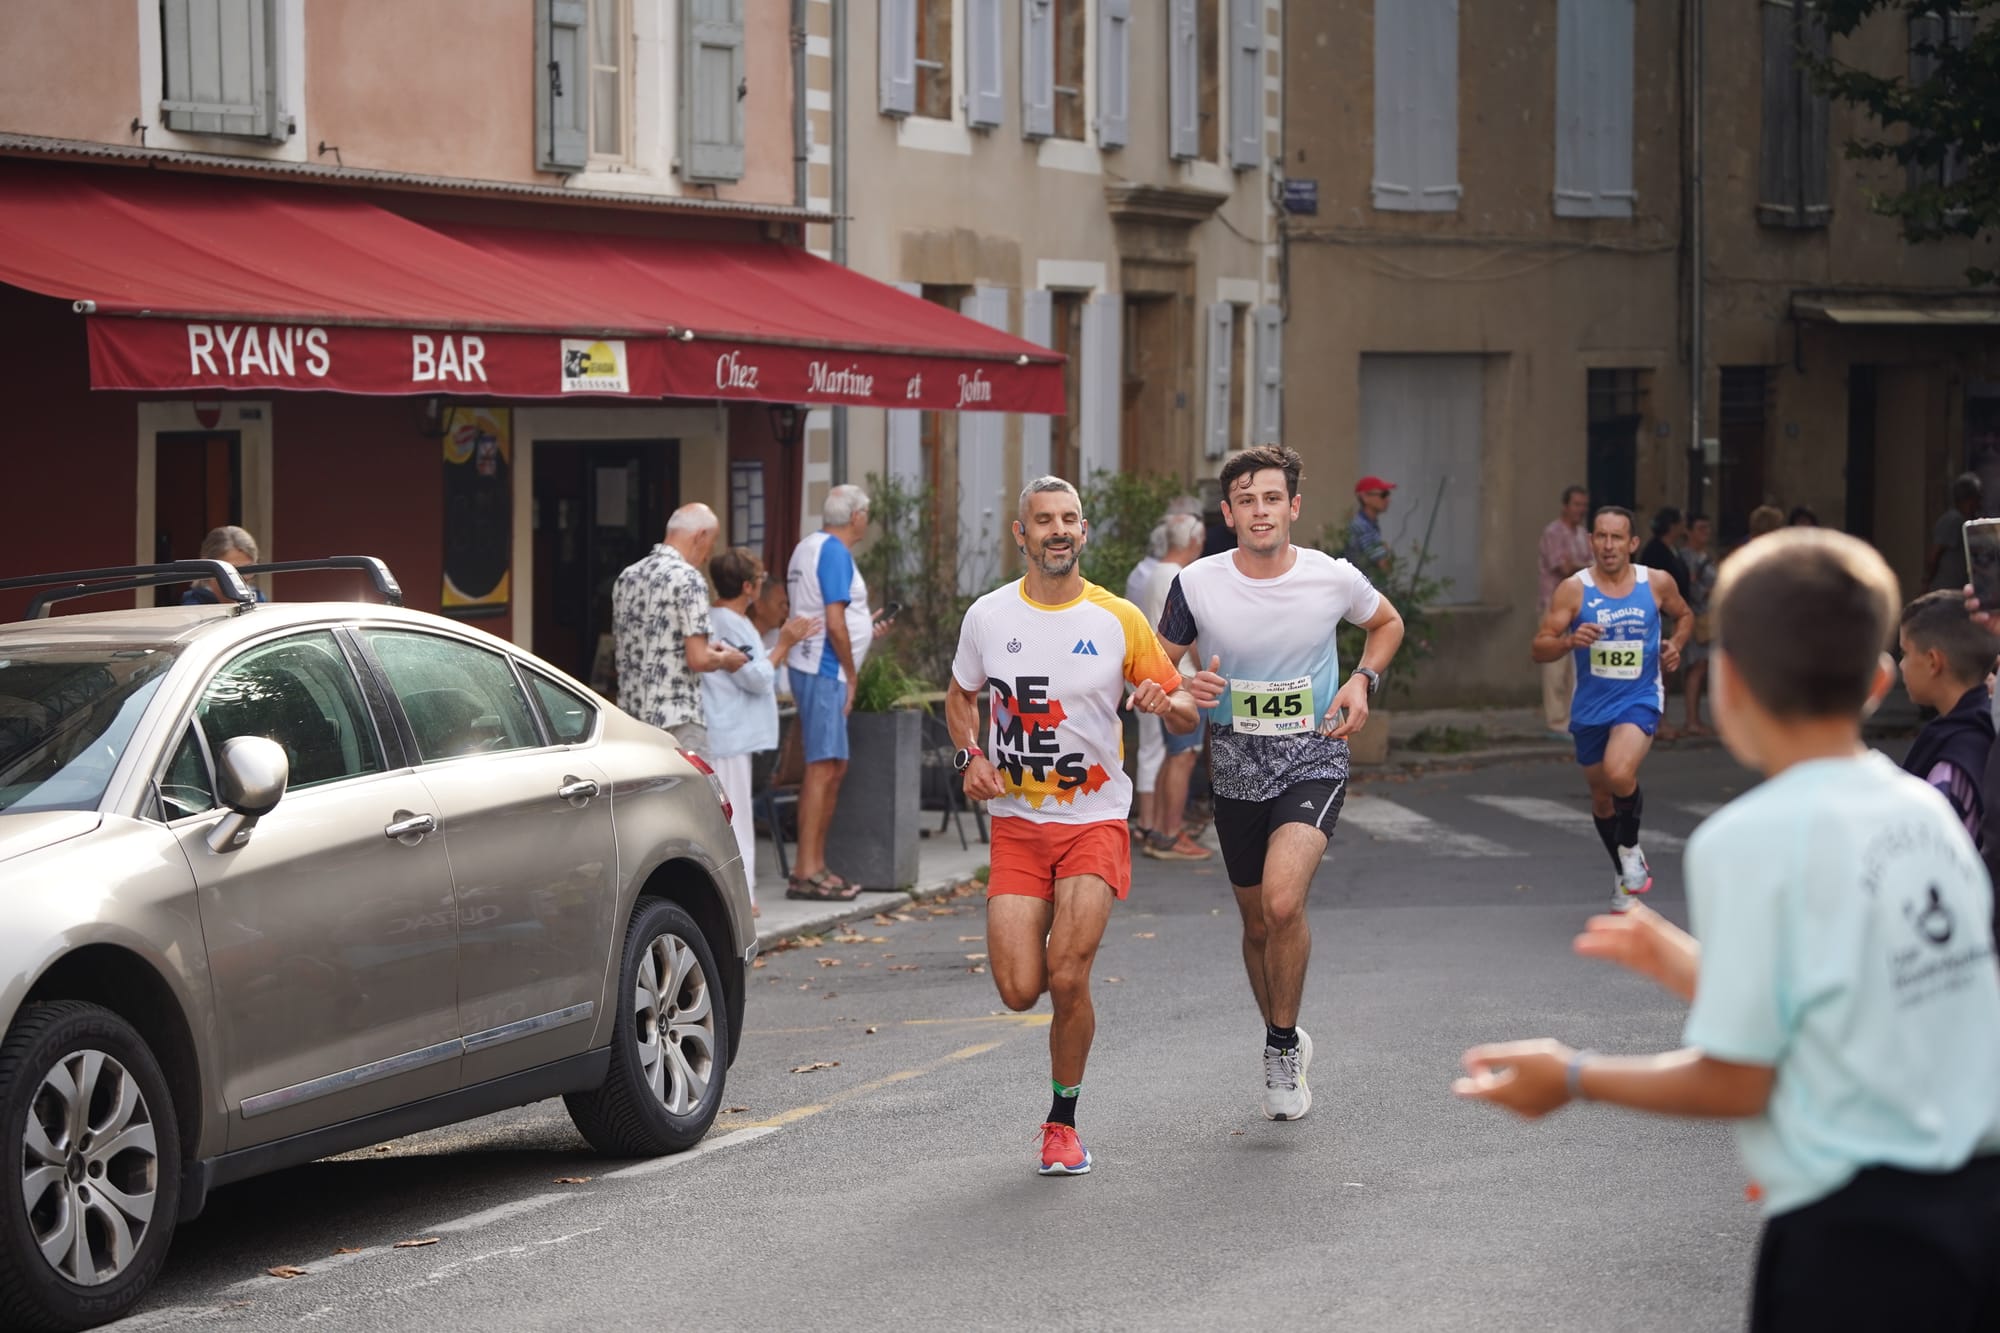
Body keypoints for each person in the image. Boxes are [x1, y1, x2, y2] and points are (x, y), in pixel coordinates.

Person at [1457, 529, 2000, 1332]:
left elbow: (1743, 1078)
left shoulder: (1749, 838)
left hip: (1858, 1236)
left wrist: (1572, 1075)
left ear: (1729, 686)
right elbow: (1848, 1006)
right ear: (1881, 680)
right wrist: (1683, 961)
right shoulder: (1923, 808)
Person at [947, 477, 1198, 1176]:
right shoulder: (989, 617)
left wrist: (1161, 697)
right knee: (1019, 987)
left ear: (1083, 532)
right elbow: (960, 695)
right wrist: (969, 755)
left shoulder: (1118, 619)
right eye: (1044, 520)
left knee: (1066, 972)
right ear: (1021, 534)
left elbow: (1183, 712)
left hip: (1094, 820)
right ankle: (1060, 1081)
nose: (1058, 530)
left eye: (1069, 519)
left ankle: (1063, 1119)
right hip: (1017, 826)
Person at [1157, 445, 1406, 1122]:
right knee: (1254, 920)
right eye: (1246, 499)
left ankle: (1278, 1047)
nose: (1260, 510)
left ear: (1293, 507)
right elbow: (1154, 672)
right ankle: (1287, 1029)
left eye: (1272, 498)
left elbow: (1387, 623)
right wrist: (1183, 686)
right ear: (1228, 513)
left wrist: (1361, 679)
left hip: (1313, 753)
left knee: (1282, 902)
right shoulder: (1197, 585)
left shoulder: (1331, 577)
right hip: (1235, 762)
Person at [1530, 506, 1694, 912]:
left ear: (1632, 544)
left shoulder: (1655, 583)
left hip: (1639, 698)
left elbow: (1685, 614)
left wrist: (1676, 645)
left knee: (1619, 771)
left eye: (1616, 537)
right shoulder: (1574, 589)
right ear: (1591, 543)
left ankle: (1631, 849)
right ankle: (1622, 872)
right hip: (1590, 707)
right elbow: (1539, 647)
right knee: (1602, 797)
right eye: (1601, 536)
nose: (1608, 545)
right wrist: (1569, 642)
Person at [702, 547, 818, 915]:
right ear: (749, 587)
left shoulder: (714, 618)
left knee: (725, 815)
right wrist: (783, 643)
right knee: (736, 818)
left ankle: (735, 893)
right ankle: (743, 896)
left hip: (722, 728)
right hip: (730, 732)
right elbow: (755, 677)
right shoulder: (734, 623)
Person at [784, 484, 877, 900]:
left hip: (815, 667)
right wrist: (851, 673)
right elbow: (836, 622)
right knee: (824, 768)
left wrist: (866, 628)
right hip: (825, 671)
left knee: (832, 767)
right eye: (866, 515)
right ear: (856, 517)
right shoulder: (836, 552)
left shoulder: (809, 545)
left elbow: (842, 617)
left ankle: (815, 864)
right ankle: (807, 868)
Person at [611, 503, 748, 755]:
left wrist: (708, 650)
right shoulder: (689, 578)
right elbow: (698, 659)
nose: (708, 556)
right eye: (712, 543)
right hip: (677, 720)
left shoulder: (627, 576)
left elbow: (650, 642)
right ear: (700, 536)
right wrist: (725, 659)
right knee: (692, 795)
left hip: (631, 721)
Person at [1898, 590, 1997, 846]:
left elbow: (1929, 855)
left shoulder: (1953, 762)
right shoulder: (1984, 726)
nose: (1901, 665)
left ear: (1933, 662)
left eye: (1905, 653)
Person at [1140, 513, 1212, 861]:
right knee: (1183, 757)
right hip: (1181, 677)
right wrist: (1203, 672)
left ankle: (1160, 831)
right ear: (1193, 541)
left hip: (1164, 674)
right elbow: (1191, 633)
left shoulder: (1156, 573)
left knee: (1173, 756)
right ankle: (1170, 834)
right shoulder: (1183, 576)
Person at [1128, 521, 1172, 842]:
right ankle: (1148, 821)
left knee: (1153, 746)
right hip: (1149, 668)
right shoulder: (1158, 576)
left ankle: (1149, 819)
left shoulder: (1140, 573)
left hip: (1142, 667)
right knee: (1153, 747)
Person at [1537, 487, 1593, 737]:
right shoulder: (1554, 532)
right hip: (1554, 604)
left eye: (1583, 505)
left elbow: (1592, 566)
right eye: (1576, 504)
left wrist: (1581, 566)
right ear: (1565, 506)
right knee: (1555, 666)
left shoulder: (1582, 534)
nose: (1580, 510)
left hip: (1578, 605)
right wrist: (1585, 567)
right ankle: (1556, 720)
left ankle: (1573, 718)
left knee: (1576, 666)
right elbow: (1563, 566)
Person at [1676, 513, 1718, 737]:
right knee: (1695, 666)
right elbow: (1691, 589)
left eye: (1708, 529)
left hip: (1709, 616)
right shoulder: (1687, 558)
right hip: (1696, 615)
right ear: (1689, 532)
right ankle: (1691, 719)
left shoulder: (1706, 556)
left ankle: (1696, 718)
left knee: (1703, 666)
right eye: (1701, 528)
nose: (1705, 533)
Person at [181, 525, 268, 604]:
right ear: (207, 565)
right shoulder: (194, 604)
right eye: (232, 571)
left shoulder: (258, 599)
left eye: (249, 569)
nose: (242, 578)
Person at [1927, 472, 1984, 592]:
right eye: (1977, 498)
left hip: (1960, 593)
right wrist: (1926, 583)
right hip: (1946, 592)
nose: (1980, 504)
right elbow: (1934, 556)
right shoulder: (1954, 520)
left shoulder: (1969, 523)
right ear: (1969, 500)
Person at [747, 570, 797, 703]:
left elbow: (786, 691)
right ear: (759, 606)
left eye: (786, 603)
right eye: (781, 604)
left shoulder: (777, 635)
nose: (786, 609)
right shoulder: (740, 637)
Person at [1341, 475, 1395, 585]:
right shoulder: (1362, 527)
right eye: (1383, 494)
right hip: (1365, 590)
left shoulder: (1368, 524)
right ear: (1365, 497)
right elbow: (1384, 567)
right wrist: (1387, 552)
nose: (1388, 499)